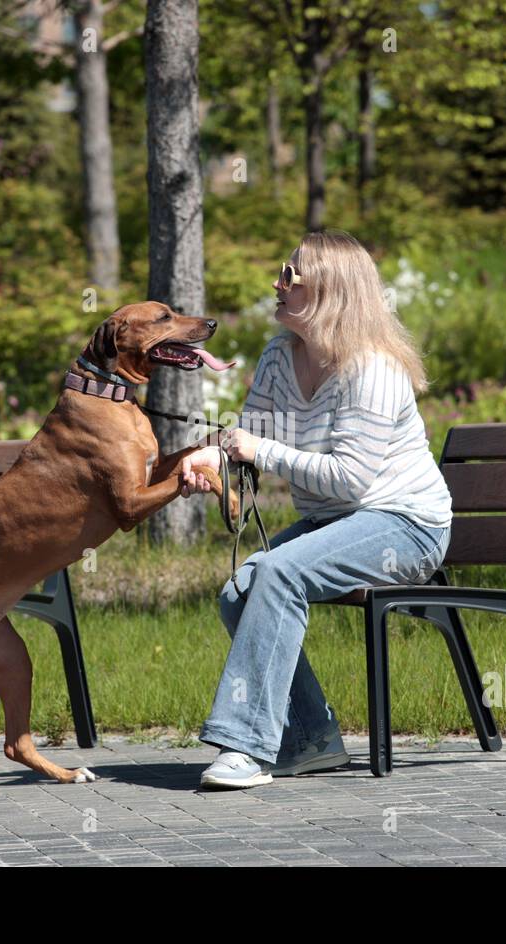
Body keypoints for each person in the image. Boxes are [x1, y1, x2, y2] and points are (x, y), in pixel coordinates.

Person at [178, 228, 454, 790]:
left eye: (289, 275)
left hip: (405, 527)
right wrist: (207, 459)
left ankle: (246, 746)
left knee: (277, 574)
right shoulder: (281, 354)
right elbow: (248, 435)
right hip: (339, 523)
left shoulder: (372, 368)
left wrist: (263, 451)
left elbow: (352, 481)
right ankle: (312, 738)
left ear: (328, 290)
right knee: (239, 590)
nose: (276, 283)